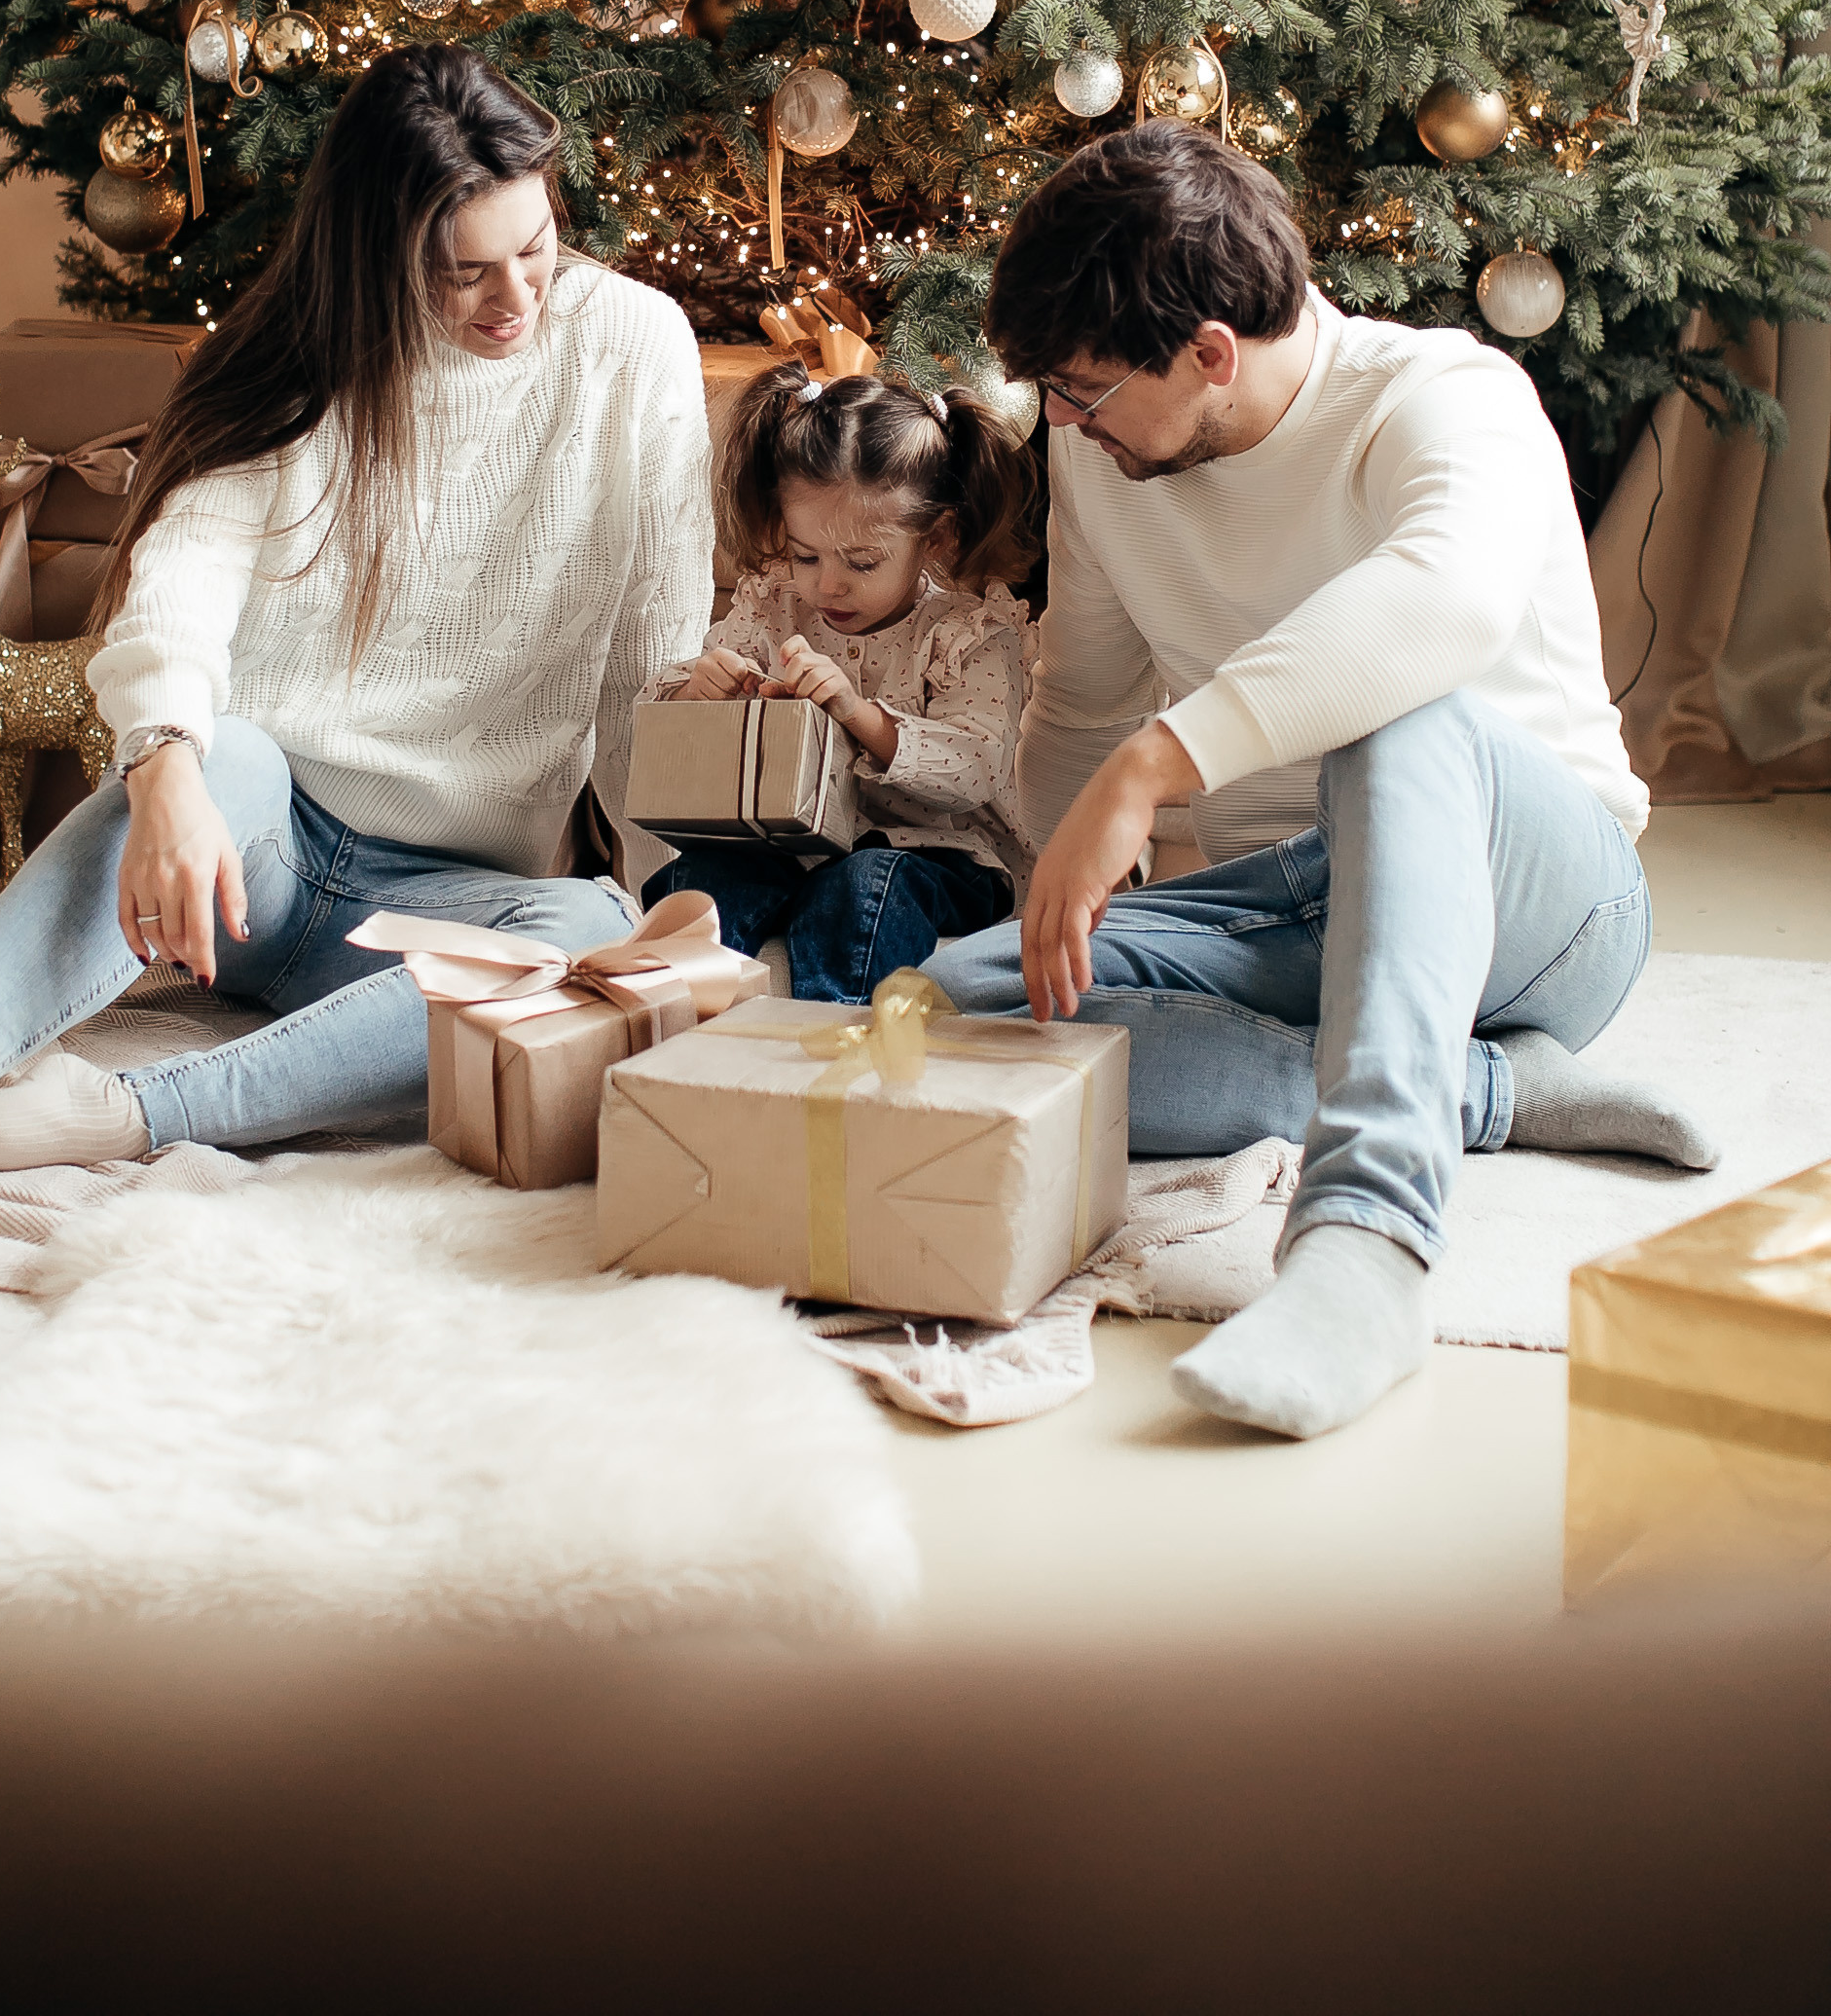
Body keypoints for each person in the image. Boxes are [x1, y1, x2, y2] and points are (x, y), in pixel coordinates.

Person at [0, 48, 711, 1302]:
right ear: (379, 263)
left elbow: (653, 661)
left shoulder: (633, 349)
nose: (514, 301)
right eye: (462, 273)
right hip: (247, 858)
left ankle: (104, 1114)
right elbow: (178, 584)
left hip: (440, 907)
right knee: (222, 753)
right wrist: (164, 775)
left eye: (536, 251)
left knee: (589, 937)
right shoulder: (301, 362)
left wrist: (671, 907)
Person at [929, 123, 1717, 1441]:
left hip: (1541, 901)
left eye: (1082, 390)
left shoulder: (1446, 397)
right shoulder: (1104, 452)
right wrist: (1053, 879)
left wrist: (1159, 764)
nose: (1061, 422)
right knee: (969, 995)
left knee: (1400, 720)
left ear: (1211, 353)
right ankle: (1490, 1094)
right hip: (1298, 905)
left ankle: (1365, 1246)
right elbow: (1084, 702)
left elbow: (1443, 607)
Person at [641, 360, 1037, 1002]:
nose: (827, 584)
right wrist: (700, 689)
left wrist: (857, 713)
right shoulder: (772, 606)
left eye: (861, 562)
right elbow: (672, 708)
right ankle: (665, 1022)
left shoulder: (968, 634)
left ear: (935, 538)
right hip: (788, 845)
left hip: (935, 856)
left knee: (863, 884)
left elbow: (977, 771)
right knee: (708, 875)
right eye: (806, 555)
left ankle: (831, 1045)